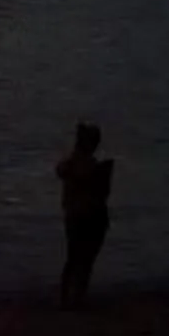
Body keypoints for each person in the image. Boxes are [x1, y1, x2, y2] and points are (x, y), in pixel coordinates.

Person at [53, 122, 114, 309]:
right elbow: (102, 192)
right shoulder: (77, 165)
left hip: (81, 215)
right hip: (86, 215)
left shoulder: (73, 164)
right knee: (82, 258)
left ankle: (71, 296)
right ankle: (73, 296)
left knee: (77, 258)